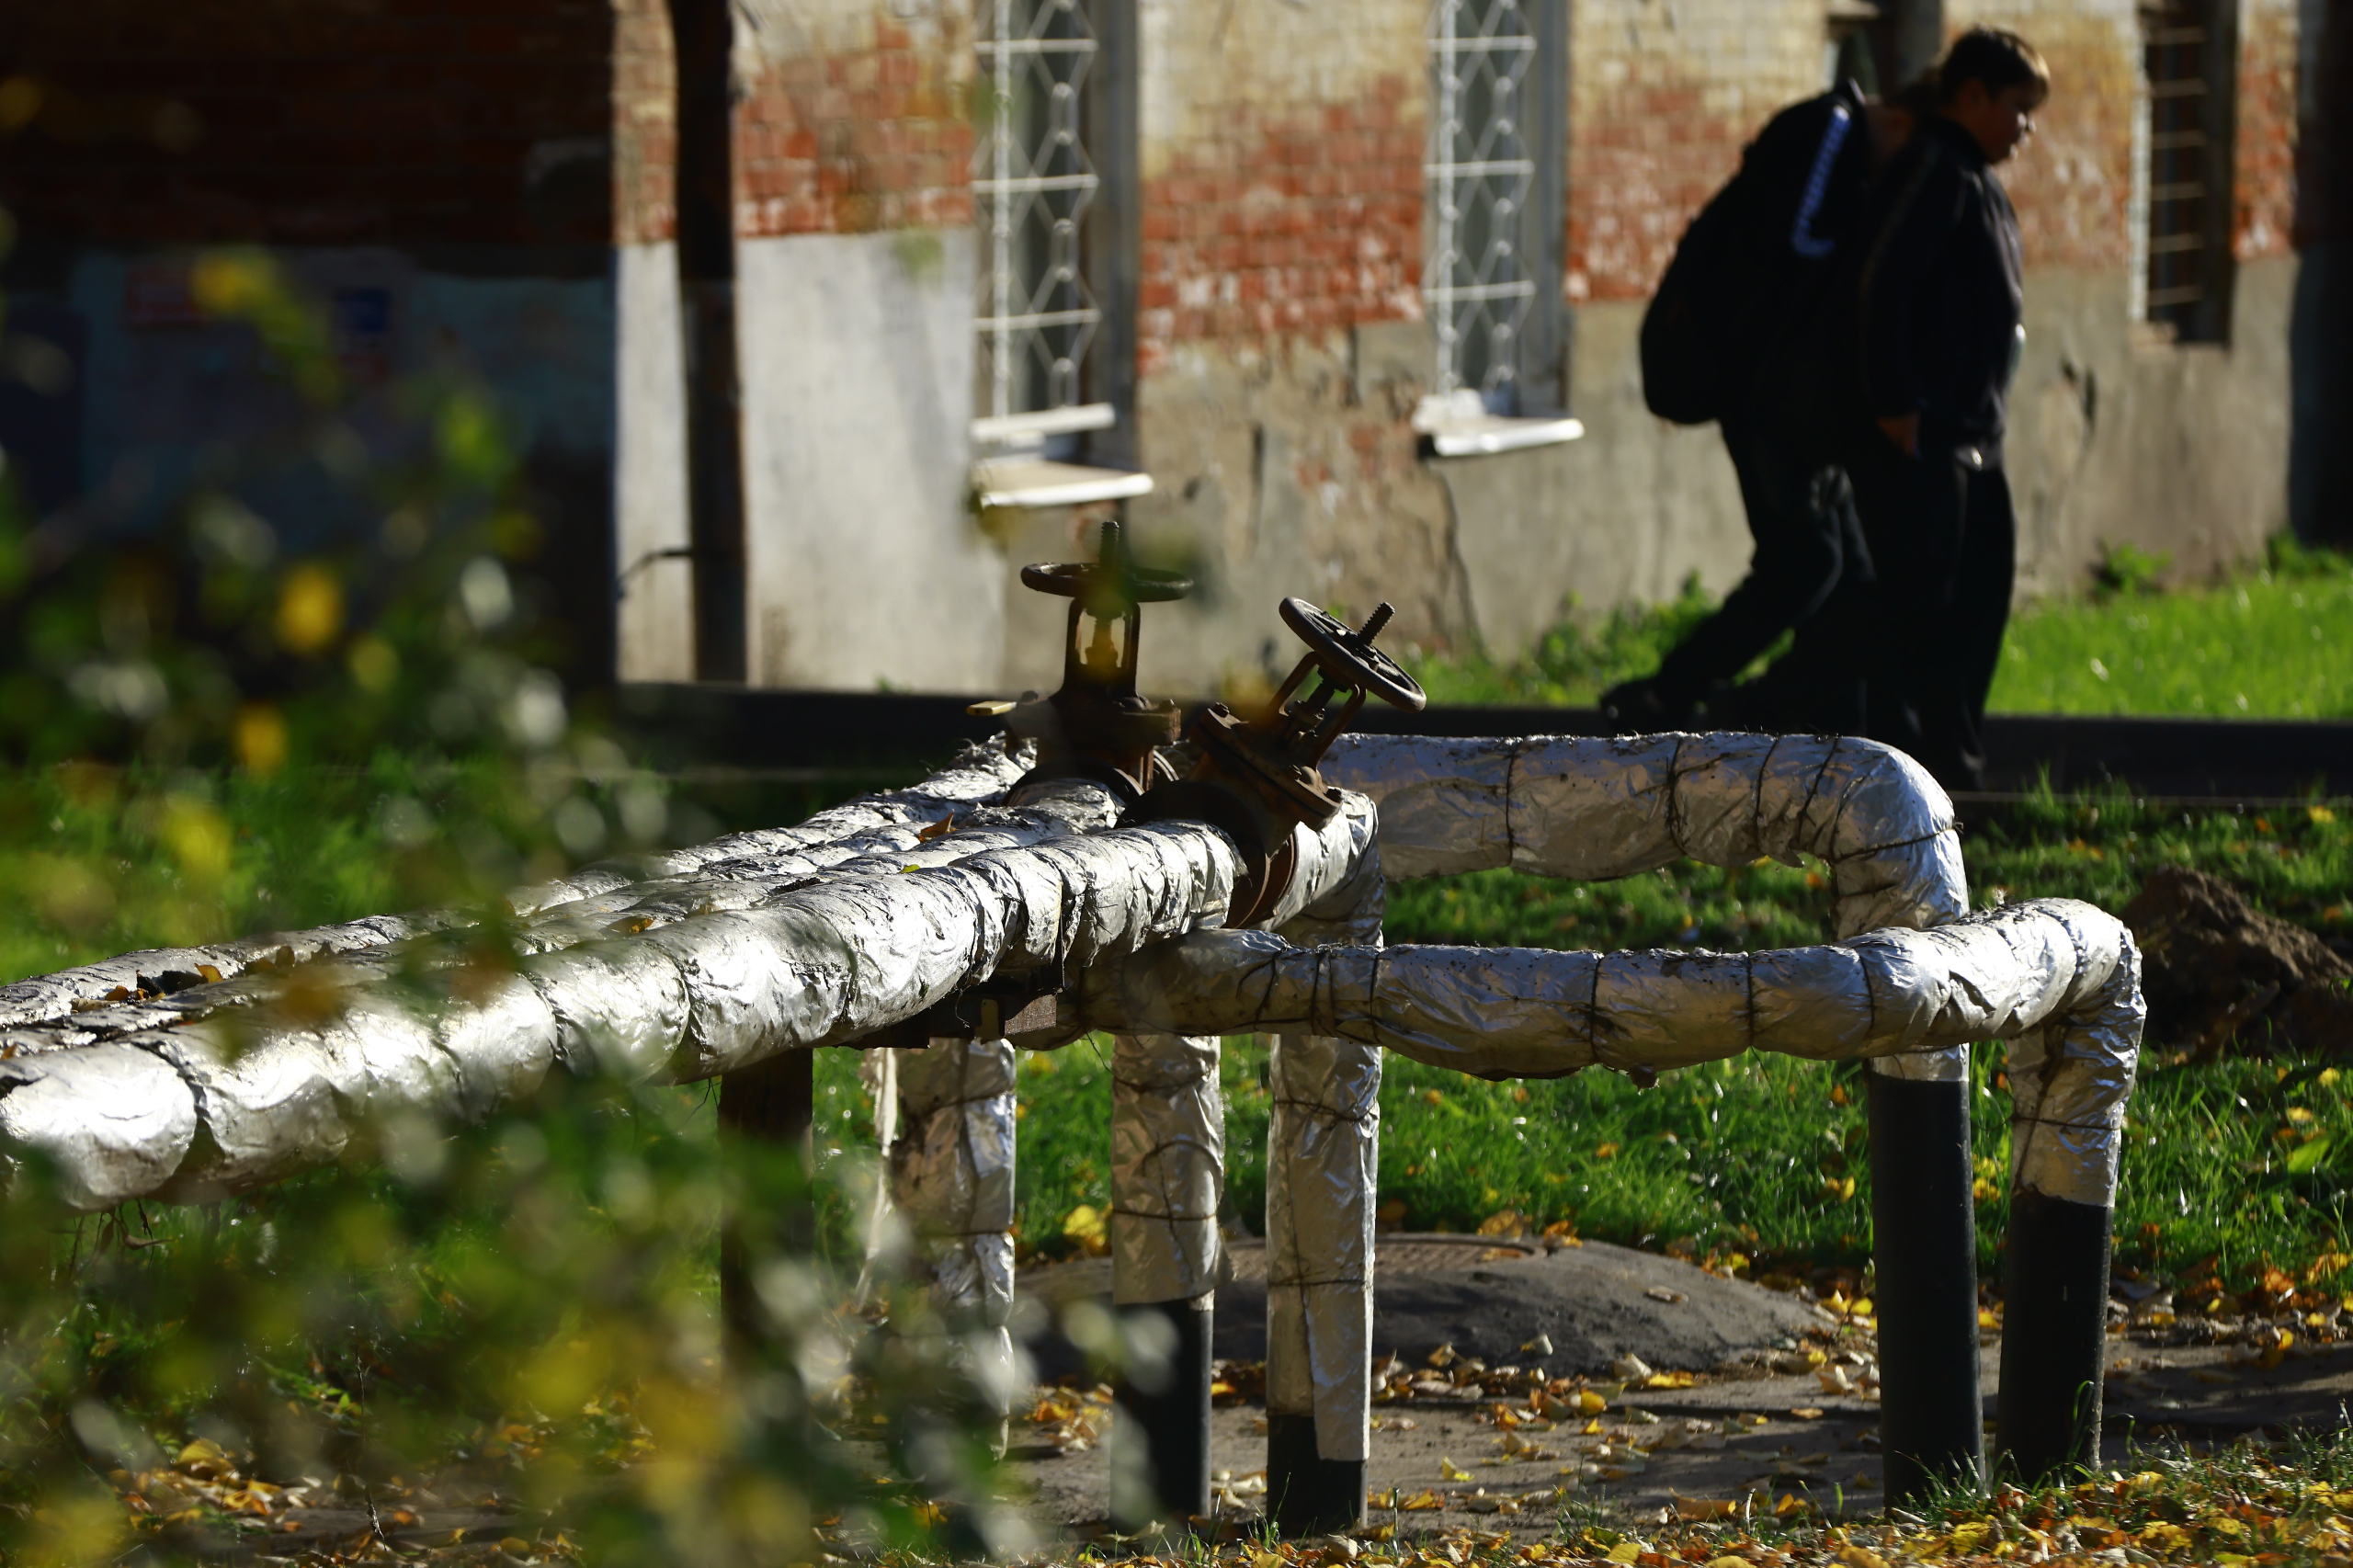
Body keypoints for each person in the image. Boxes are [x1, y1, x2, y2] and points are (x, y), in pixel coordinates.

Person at [1604, 77, 1933, 732]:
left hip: (1792, 396)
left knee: (1843, 569)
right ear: (1897, 124)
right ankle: (1678, 693)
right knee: (1808, 560)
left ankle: (1840, 722)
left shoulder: (1833, 139)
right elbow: (1797, 241)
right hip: (1764, 393)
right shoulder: (1832, 128)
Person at [1834, 27, 2048, 790]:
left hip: (1970, 437)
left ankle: (1953, 767)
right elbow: (1881, 286)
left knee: (1974, 607)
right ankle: (1918, 778)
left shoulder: (1968, 174)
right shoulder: (1934, 169)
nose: (2027, 127)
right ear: (1973, 94)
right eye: (2019, 108)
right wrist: (1896, 402)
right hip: (1923, 439)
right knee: (1927, 614)